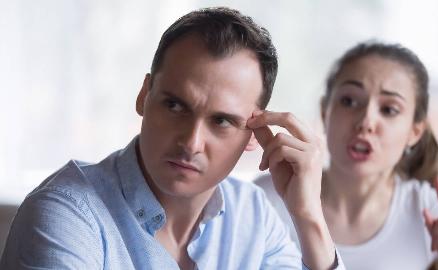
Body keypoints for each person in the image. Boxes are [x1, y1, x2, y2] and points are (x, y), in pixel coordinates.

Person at [1, 7, 343, 270]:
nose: (192, 142)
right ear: (143, 96)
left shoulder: (253, 215)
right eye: (176, 105)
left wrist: (309, 216)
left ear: (254, 135)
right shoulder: (67, 214)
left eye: (222, 120)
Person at [255, 41, 438, 270]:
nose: (366, 122)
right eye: (349, 101)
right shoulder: (263, 200)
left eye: (389, 109)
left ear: (415, 132)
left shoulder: (434, 217)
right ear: (325, 112)